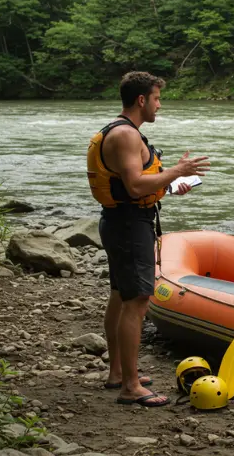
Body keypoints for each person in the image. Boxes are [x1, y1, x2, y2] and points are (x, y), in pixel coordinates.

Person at [86, 71, 210, 407]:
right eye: (157, 98)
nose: (159, 105)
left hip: (119, 221)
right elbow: (135, 186)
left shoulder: (118, 130)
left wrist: (169, 186)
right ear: (141, 100)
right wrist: (177, 171)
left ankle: (118, 373)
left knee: (120, 295)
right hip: (129, 226)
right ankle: (129, 386)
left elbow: (138, 184)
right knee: (137, 301)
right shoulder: (126, 135)